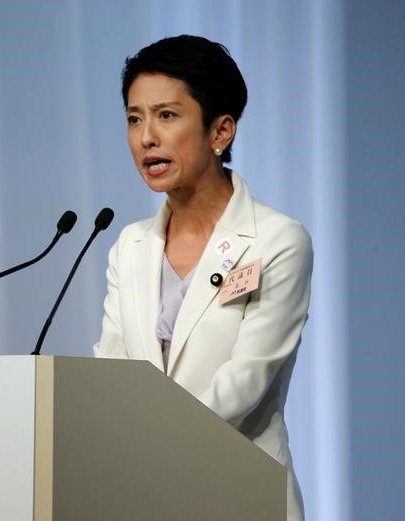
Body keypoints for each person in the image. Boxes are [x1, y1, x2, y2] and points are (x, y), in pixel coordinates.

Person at [93, 35, 312, 521]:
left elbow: (246, 378)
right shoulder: (128, 246)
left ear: (221, 131)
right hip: (143, 499)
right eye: (134, 118)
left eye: (166, 116)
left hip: (239, 493)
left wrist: (149, 447)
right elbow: (112, 368)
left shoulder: (278, 240)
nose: (146, 136)